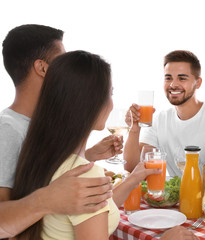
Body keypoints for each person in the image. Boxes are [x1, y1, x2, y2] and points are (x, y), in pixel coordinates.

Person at [0, 24, 121, 238]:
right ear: (43, 68)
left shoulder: (41, 125)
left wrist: (89, 156)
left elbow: (49, 171)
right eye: (61, 60)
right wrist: (47, 198)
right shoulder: (8, 130)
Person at [124, 50, 205, 195]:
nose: (173, 85)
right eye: (168, 78)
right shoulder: (158, 119)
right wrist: (134, 129)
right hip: (178, 205)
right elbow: (133, 168)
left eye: (182, 78)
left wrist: (193, 193)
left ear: (198, 83)